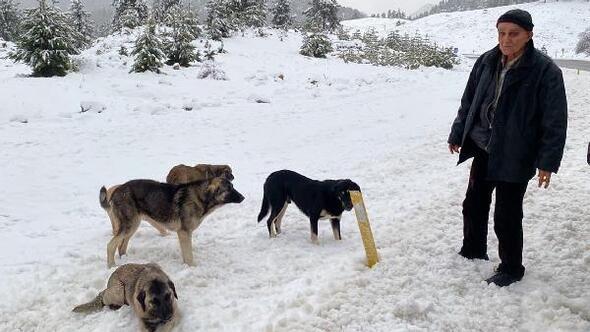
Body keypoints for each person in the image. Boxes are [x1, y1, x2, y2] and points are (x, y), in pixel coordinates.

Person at [447, 9, 567, 287]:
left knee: (507, 214)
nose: (506, 39)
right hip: (483, 145)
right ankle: (473, 249)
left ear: (529, 35)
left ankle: (512, 268)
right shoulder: (487, 61)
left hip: (517, 152)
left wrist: (547, 162)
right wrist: (458, 132)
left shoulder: (545, 71)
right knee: (473, 203)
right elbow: (469, 102)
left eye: (514, 34)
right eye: (501, 33)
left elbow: (555, 121)